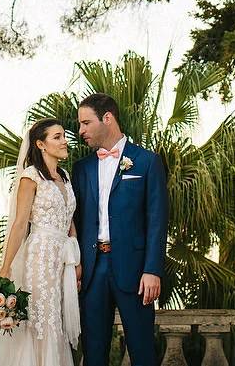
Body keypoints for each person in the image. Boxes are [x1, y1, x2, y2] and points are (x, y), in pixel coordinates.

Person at [72, 93, 168, 366]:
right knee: (93, 352)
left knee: (142, 350)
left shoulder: (147, 162)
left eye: (86, 123)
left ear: (108, 118)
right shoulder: (82, 169)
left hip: (136, 270)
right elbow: (75, 223)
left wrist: (152, 270)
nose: (81, 131)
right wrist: (76, 267)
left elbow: (157, 220)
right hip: (92, 271)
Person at [0, 118, 81, 366]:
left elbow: (70, 220)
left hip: (62, 259)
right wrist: (5, 268)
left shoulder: (65, 176)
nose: (64, 141)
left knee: (55, 320)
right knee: (42, 320)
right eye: (57, 137)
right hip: (39, 257)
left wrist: (76, 261)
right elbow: (19, 225)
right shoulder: (30, 177)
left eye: (64, 136)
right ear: (40, 144)